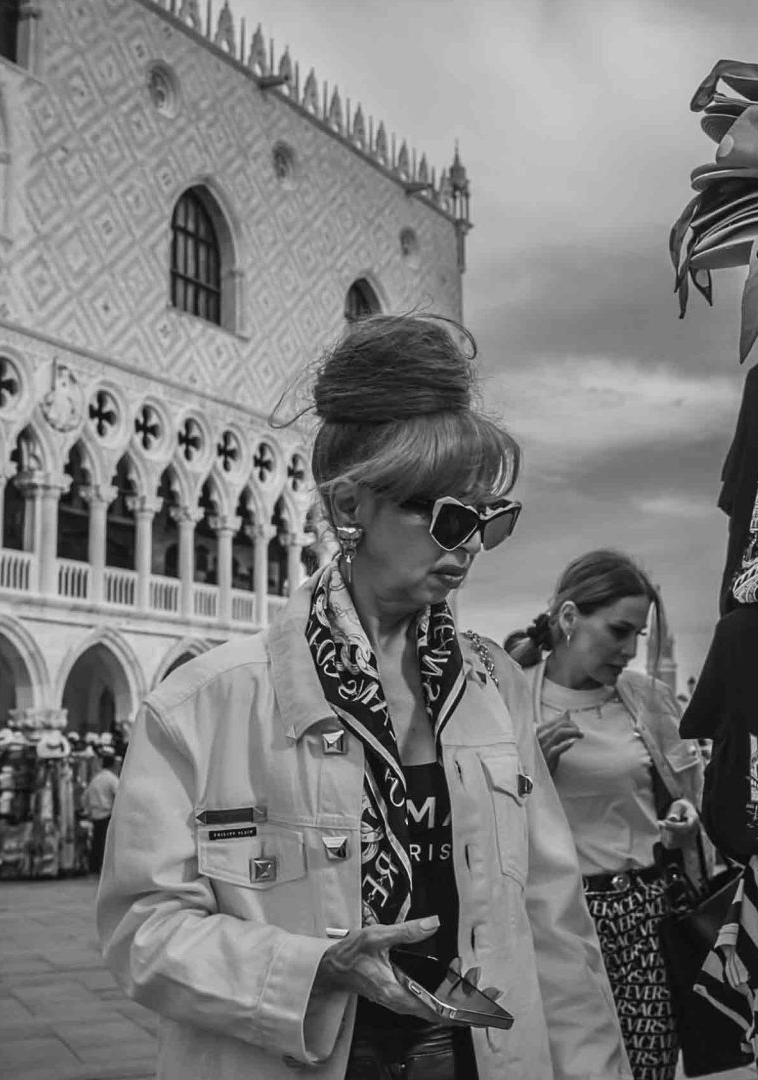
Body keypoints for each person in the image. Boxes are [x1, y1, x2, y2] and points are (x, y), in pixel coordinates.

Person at [98, 314, 631, 1080]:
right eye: (446, 515)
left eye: (487, 518)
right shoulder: (206, 703)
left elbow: (553, 921)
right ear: (352, 507)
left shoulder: (494, 687)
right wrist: (318, 967)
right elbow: (140, 929)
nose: (469, 544)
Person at [504, 551, 713, 1080]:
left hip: (645, 917)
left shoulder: (647, 700)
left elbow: (686, 794)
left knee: (647, 1070)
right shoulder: (507, 698)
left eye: (639, 636)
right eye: (620, 631)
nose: (629, 650)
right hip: (552, 923)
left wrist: (687, 819)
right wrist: (531, 775)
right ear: (570, 618)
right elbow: (479, 823)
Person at [82, 751, 118, 874]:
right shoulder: (111, 779)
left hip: (95, 815)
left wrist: (88, 810)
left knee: (96, 842)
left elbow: (85, 798)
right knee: (106, 843)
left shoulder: (95, 779)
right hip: (107, 815)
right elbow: (120, 795)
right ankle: (106, 869)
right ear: (113, 765)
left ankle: (94, 867)